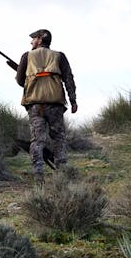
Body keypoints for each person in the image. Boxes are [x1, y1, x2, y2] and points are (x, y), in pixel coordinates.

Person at [15, 29, 77, 184]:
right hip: (55, 105)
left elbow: (19, 80)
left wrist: (32, 78)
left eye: (34, 39)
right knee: (59, 138)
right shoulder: (59, 56)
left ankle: (38, 177)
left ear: (41, 39)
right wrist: (73, 100)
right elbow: (68, 79)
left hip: (35, 105)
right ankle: (62, 176)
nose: (31, 42)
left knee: (37, 141)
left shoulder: (27, 56)